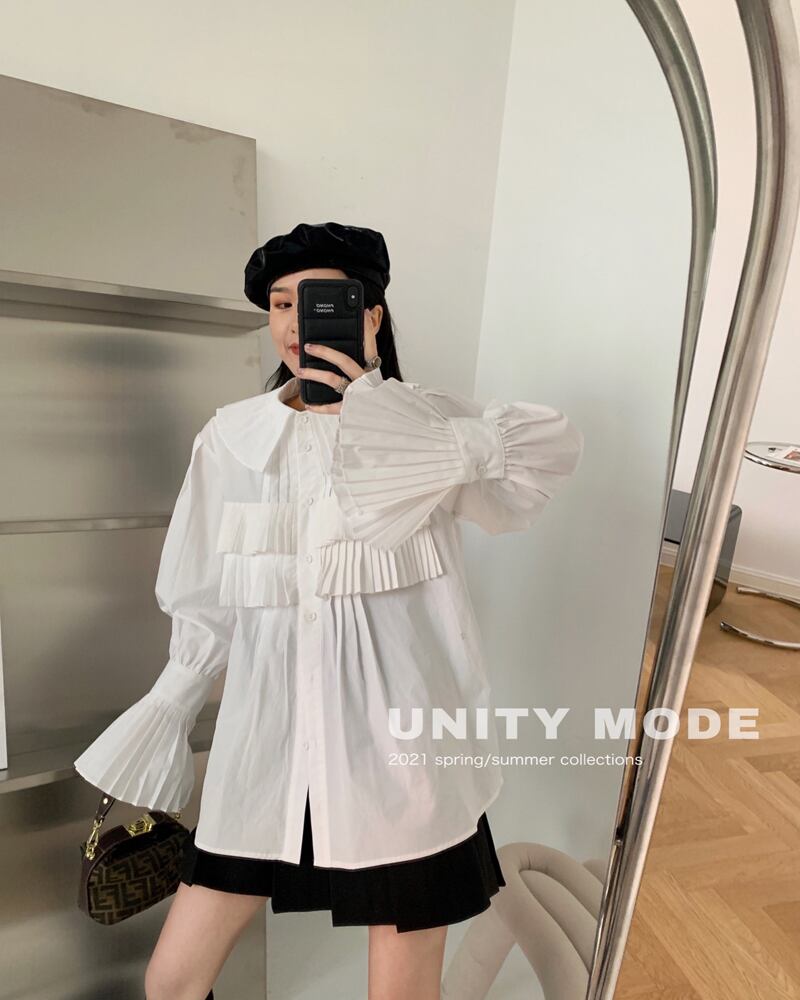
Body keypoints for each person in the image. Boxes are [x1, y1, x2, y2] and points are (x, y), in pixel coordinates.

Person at [73, 222, 584, 1000]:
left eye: (319, 303)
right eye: (280, 304)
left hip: (407, 761)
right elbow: (206, 599)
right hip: (269, 751)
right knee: (171, 982)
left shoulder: (427, 425)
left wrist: (380, 411)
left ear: (369, 315)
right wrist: (166, 713)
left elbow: (550, 452)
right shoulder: (233, 441)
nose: (294, 323)